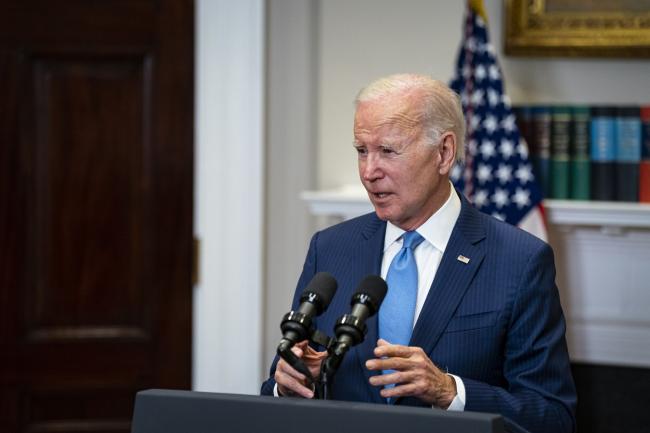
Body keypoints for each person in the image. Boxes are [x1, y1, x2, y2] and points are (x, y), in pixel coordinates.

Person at [261, 74, 576, 433]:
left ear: (443, 153)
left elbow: (552, 418)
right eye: (362, 151)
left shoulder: (519, 261)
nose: (369, 172)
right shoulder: (331, 248)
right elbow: (282, 382)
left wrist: (448, 391)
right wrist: (287, 385)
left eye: (388, 151)